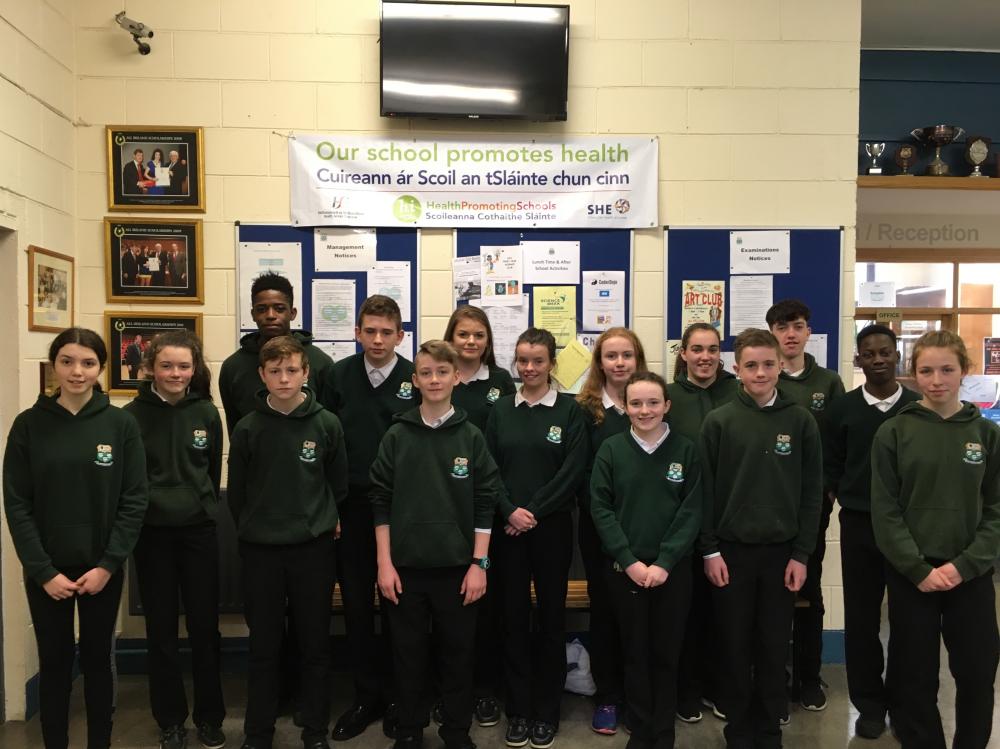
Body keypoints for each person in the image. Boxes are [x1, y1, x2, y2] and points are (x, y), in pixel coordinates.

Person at [3, 327, 148, 749]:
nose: (77, 371)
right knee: (54, 662)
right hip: (47, 572)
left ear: (101, 367)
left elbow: (134, 500)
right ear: (54, 365)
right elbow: (17, 503)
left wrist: (108, 565)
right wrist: (43, 571)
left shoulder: (121, 424)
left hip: (101, 569)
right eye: (67, 361)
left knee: (98, 661)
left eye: (88, 363)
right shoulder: (29, 425)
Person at [871, 330, 1000, 749]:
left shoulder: (986, 434)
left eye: (947, 369)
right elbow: (885, 511)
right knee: (913, 677)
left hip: (970, 575)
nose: (937, 380)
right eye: (926, 371)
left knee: (977, 673)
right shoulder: (894, 432)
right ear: (914, 373)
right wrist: (917, 568)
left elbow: (996, 510)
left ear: (964, 370)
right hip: (913, 577)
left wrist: (965, 565)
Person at [369, 339, 499, 749]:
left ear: (456, 377)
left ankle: (456, 731)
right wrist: (384, 564)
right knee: (408, 656)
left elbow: (485, 502)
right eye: (426, 373)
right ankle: (409, 729)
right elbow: (380, 501)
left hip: (458, 569)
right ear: (415, 380)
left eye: (442, 372)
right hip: (404, 568)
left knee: (457, 656)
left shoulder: (471, 436)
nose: (434, 379)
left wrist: (479, 564)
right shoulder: (396, 435)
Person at [700, 328, 822, 749]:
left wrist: (802, 554)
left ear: (780, 366)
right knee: (733, 647)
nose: (760, 372)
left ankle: (769, 732)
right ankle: (738, 731)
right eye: (751, 365)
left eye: (768, 364)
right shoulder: (719, 421)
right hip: (730, 554)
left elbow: (812, 493)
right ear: (736, 369)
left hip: (782, 556)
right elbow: (705, 492)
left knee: (773, 647)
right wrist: (710, 550)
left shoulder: (801, 421)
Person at [227, 335, 348, 749]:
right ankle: (258, 732)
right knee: (264, 646)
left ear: (305, 373)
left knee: (314, 644)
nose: (283, 378)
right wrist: (255, 529)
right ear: (262, 375)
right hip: (261, 550)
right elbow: (238, 494)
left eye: (292, 370)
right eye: (275, 371)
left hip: (312, 549)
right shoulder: (248, 427)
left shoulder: (326, 424)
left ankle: (314, 731)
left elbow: (337, 485)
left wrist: (321, 522)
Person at [124, 330, 227, 749]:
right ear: (150, 367)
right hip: (152, 535)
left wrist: (201, 505)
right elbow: (130, 480)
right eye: (166, 365)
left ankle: (210, 717)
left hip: (198, 531)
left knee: (205, 628)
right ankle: (170, 720)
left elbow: (211, 471)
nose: (175, 373)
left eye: (184, 366)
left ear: (194, 369)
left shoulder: (206, 413)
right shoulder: (130, 416)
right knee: (161, 631)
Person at [485, 328, 587, 749]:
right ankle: (519, 709)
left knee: (551, 619)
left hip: (552, 530)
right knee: (511, 618)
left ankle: (546, 710)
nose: (529, 368)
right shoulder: (500, 410)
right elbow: (488, 468)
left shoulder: (569, 411)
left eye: (538, 361)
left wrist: (532, 513)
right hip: (507, 530)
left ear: (552, 364)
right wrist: (510, 510)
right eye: (523, 360)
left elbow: (572, 471)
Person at [590, 371, 701, 749]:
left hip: (673, 571)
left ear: (666, 405)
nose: (645, 410)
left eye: (653, 402)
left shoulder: (685, 450)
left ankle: (663, 732)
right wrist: (629, 561)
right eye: (636, 403)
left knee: (667, 654)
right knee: (634, 653)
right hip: (626, 571)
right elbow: (601, 509)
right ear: (624, 407)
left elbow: (691, 510)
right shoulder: (612, 450)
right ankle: (640, 731)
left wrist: (665, 562)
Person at [326, 295, 418, 742]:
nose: (377, 339)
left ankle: (402, 698)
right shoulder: (336, 375)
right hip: (351, 509)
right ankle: (366, 697)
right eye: (370, 331)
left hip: (404, 510)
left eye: (386, 332)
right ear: (357, 333)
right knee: (358, 606)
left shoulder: (415, 377)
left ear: (400, 335)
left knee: (402, 607)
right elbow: (324, 442)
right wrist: (330, 505)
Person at [824, 325, 919, 740]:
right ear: (858, 359)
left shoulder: (918, 408)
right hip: (860, 524)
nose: (878, 359)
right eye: (869, 353)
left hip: (909, 528)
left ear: (897, 356)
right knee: (862, 619)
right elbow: (831, 465)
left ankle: (902, 703)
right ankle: (869, 705)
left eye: (885, 352)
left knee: (907, 619)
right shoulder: (842, 410)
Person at [766, 298, 845, 713]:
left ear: (808, 331)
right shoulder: (763, 378)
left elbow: (838, 442)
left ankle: (809, 678)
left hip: (812, 506)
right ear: (772, 333)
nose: (790, 334)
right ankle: (774, 675)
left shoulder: (828, 383)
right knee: (773, 593)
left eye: (797, 326)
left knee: (808, 589)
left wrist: (829, 491)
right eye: (782, 327)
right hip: (769, 506)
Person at [441, 304, 516, 727]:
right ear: (451, 338)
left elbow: (503, 449)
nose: (470, 341)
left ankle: (486, 689)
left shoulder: (501, 382)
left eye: (479, 335)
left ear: (488, 341)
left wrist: (502, 503)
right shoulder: (440, 377)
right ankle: (452, 690)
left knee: (487, 604)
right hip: (446, 508)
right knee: (447, 604)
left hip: (489, 509)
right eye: (463, 334)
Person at [574, 327, 647, 735]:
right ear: (599, 363)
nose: (620, 363)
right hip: (599, 529)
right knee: (605, 613)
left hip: (644, 528)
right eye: (611, 356)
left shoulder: (649, 402)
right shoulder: (586, 410)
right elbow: (581, 472)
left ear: (638, 359)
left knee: (641, 618)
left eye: (627, 355)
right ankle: (608, 697)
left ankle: (638, 699)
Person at [667, 323, 738, 723]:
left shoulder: (737, 392)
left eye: (712, 349)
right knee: (686, 612)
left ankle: (720, 687)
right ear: (684, 354)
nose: (705, 357)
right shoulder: (670, 397)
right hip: (682, 520)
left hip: (727, 520)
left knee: (724, 613)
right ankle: (687, 689)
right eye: (697, 349)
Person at [219, 271, 333, 435]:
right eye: (262, 309)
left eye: (279, 309)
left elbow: (328, 423)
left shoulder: (320, 361)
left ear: (292, 313)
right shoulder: (233, 367)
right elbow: (235, 426)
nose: (270, 315)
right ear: (253, 314)